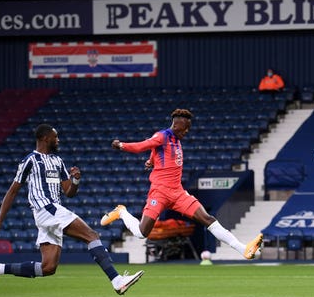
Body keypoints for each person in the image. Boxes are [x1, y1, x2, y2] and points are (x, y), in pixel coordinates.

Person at [0, 124, 144, 295]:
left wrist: (75, 181)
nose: (58, 140)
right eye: (55, 137)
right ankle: (117, 280)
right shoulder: (30, 160)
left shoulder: (57, 161)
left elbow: (69, 193)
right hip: (46, 209)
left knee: (48, 267)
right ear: (45, 138)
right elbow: (12, 192)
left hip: (52, 212)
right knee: (91, 236)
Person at [100, 108, 263, 260]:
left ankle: (243, 249)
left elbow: (156, 151)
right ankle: (122, 212)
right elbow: (143, 145)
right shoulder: (162, 136)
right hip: (160, 192)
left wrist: (151, 161)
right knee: (142, 233)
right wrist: (122, 145)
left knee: (207, 219)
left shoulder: (176, 141)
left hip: (178, 193)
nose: (186, 132)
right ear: (176, 124)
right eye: (185, 128)